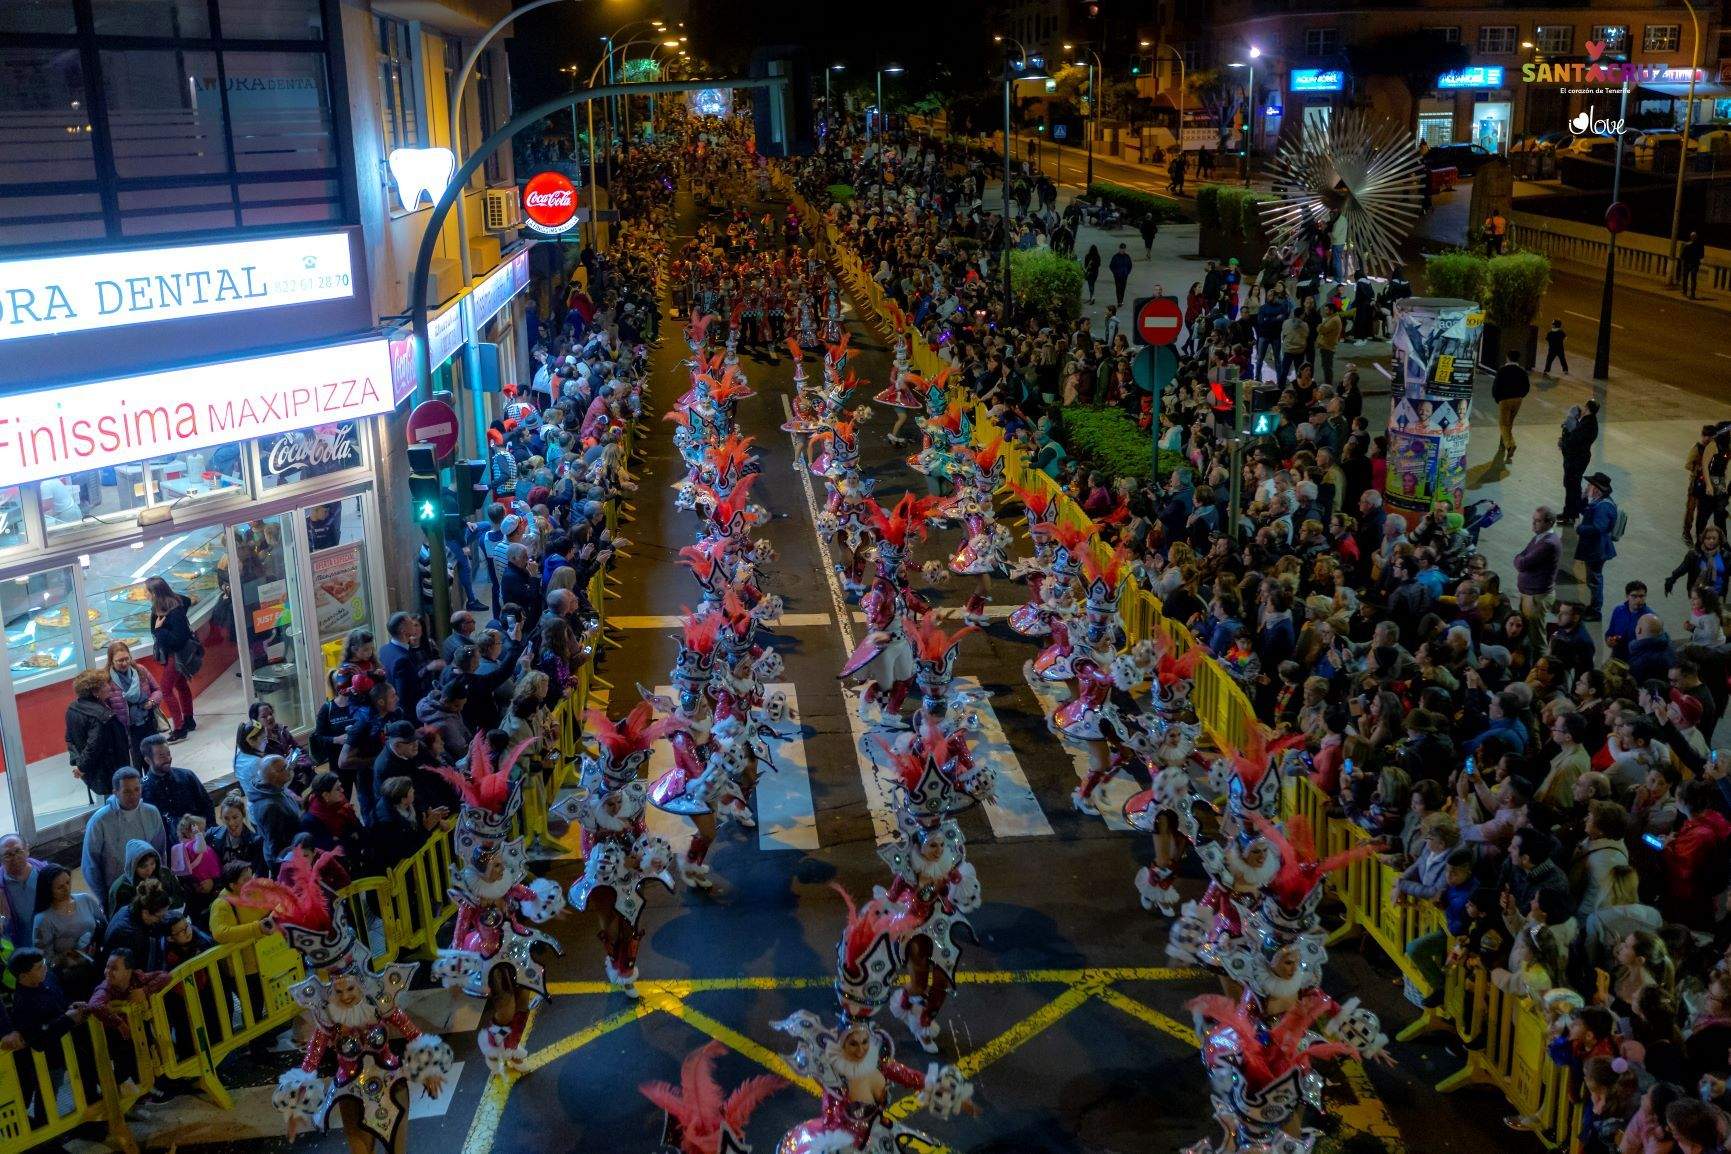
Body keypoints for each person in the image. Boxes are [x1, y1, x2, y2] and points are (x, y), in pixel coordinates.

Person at [80, 768, 166, 910]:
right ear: (115, 792)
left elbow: (160, 853)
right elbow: (90, 865)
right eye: (127, 791)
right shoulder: (100, 821)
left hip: (150, 891)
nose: (133, 795)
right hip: (117, 894)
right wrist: (104, 898)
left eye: (137, 789)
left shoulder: (152, 813)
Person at [31, 864, 105, 999]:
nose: (67, 888)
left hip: (99, 963)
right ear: (48, 891)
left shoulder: (85, 899)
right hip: (73, 977)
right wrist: (67, 958)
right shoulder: (43, 919)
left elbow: (103, 925)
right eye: (60, 887)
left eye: (68, 882)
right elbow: (44, 959)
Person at [145, 575, 199, 740]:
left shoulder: (173, 612)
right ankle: (189, 719)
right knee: (181, 685)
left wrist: (160, 630)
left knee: (166, 690)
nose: (145, 595)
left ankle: (180, 728)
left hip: (176, 656)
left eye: (147, 592)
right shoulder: (172, 603)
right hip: (174, 655)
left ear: (155, 593)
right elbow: (187, 600)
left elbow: (178, 639)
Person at [65, 669, 130, 800]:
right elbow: (94, 747)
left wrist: (80, 765)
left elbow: (69, 739)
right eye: (105, 684)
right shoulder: (102, 716)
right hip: (110, 772)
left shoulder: (72, 708)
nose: (109, 687)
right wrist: (82, 767)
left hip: (95, 772)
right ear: (95, 692)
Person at [138, 733, 214, 839]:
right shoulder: (143, 790)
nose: (167, 758)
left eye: (168, 753)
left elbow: (207, 804)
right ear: (148, 760)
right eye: (161, 756)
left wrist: (208, 833)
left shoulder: (187, 776)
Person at [103, 642, 162, 768]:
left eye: (126, 659)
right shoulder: (106, 679)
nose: (124, 663)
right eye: (119, 661)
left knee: (153, 761)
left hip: (148, 723)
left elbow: (157, 690)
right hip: (127, 731)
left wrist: (151, 702)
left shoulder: (141, 670)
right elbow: (104, 706)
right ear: (111, 661)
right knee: (136, 764)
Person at [378, 611, 442, 719]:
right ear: (404, 631)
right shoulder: (402, 659)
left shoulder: (384, 649)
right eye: (410, 623)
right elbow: (404, 697)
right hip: (410, 716)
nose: (414, 625)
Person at [246, 755, 304, 868]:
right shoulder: (270, 807)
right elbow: (276, 846)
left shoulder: (273, 788)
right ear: (274, 776)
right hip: (287, 861)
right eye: (285, 767)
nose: (289, 769)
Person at [1576, 472, 1619, 621]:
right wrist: (1582, 498)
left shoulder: (1604, 507)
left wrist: (1580, 529)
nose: (1587, 487)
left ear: (1597, 489)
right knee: (1592, 579)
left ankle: (1595, 611)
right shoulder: (1599, 502)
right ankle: (1592, 607)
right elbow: (1586, 512)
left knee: (1594, 580)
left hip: (1597, 550)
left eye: (1590, 485)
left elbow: (1598, 528)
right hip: (1595, 548)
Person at [1512, 506, 1561, 624]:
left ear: (1550, 523)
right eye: (1533, 519)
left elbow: (1522, 564)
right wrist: (1520, 559)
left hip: (1537, 597)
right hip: (1530, 594)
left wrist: (1519, 559)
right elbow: (1523, 555)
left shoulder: (1548, 544)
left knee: (1536, 638)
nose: (1533, 523)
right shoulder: (1539, 537)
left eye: (1538, 521)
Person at [0, 836, 45, 951]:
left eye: (18, 851)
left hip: (48, 937)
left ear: (27, 850)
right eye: (8, 855)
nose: (15, 857)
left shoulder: (46, 873)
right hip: (17, 946)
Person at [1558, 401, 1598, 524]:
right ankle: (1570, 513)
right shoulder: (1589, 422)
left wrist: (1563, 439)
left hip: (1576, 460)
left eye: (1585, 408)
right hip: (1578, 459)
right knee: (1572, 486)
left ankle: (1570, 516)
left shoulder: (1587, 424)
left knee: (1572, 487)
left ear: (1587, 409)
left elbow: (1572, 442)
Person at [1492, 350, 1530, 460]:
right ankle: (1503, 444)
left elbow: (1496, 386)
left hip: (1505, 400)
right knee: (1509, 423)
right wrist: (1520, 396)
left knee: (1503, 423)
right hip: (1517, 400)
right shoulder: (1522, 371)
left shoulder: (1502, 370)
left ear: (1507, 357)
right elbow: (1527, 387)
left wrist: (1497, 398)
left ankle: (1510, 445)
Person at [1680, 230, 1705, 299]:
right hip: (1694, 264)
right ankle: (1692, 293)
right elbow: (1702, 255)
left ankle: (1686, 292)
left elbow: (1682, 255)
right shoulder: (1700, 245)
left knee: (1687, 278)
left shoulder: (1687, 245)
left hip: (1688, 263)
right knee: (1693, 279)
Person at [1109, 242, 1134, 307]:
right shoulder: (1115, 257)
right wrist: (1115, 273)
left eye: (1124, 249)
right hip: (1117, 276)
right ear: (1119, 249)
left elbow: (1130, 265)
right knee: (1118, 288)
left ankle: (1121, 300)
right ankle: (1119, 301)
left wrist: (1127, 272)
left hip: (1124, 275)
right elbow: (1111, 266)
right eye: (1121, 249)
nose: (1122, 250)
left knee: (1123, 288)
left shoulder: (1127, 257)